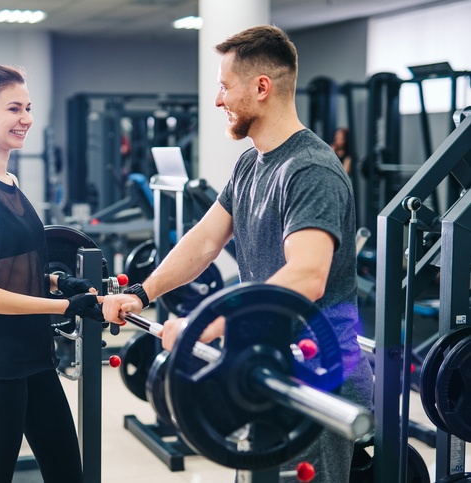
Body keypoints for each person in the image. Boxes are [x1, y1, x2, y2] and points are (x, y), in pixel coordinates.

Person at [102, 25, 373, 482]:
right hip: (269, 365)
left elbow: (307, 276)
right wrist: (143, 293)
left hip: (318, 378)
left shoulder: (310, 170)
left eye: (225, 87)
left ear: (261, 87)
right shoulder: (251, 163)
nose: (217, 101)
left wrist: (204, 325)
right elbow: (204, 242)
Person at [0, 62, 101, 483]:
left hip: (34, 354)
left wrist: (59, 281)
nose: (26, 118)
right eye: (13, 108)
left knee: (67, 473)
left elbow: (11, 267)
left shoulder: (7, 178)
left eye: (27, 107)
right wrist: (67, 304)